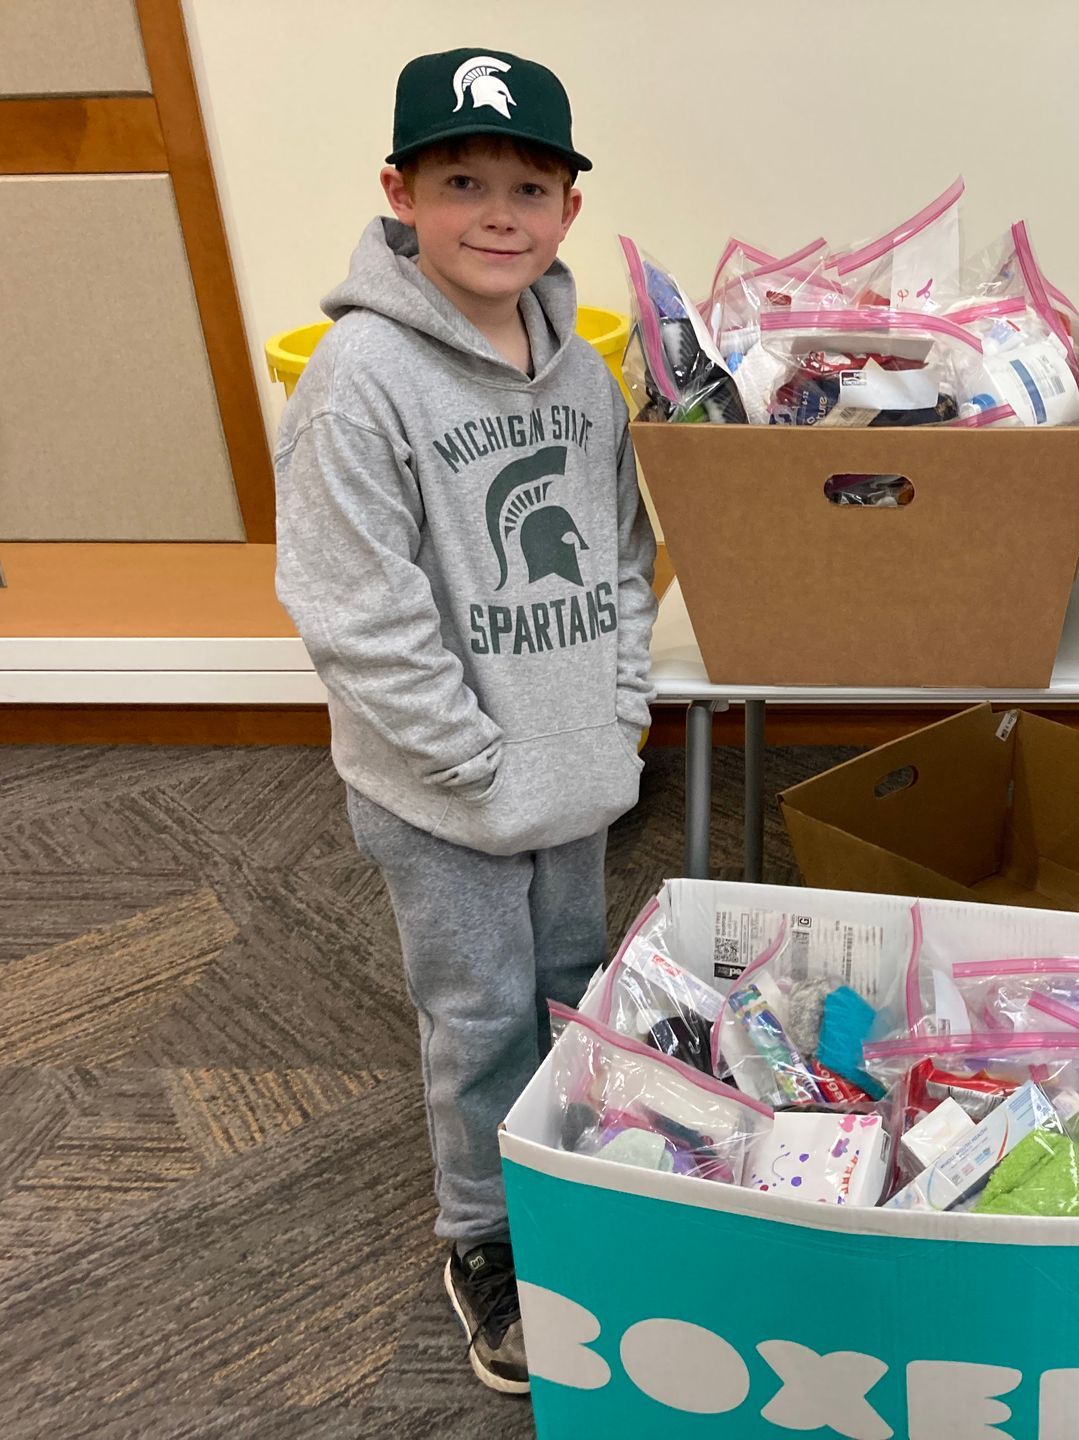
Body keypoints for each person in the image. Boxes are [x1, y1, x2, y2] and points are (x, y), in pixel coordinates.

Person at [273, 46, 655, 1395]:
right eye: (461, 180)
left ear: (567, 210)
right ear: (401, 193)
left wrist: (617, 711)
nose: (498, 212)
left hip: (572, 765)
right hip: (444, 791)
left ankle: (575, 1175)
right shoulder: (361, 381)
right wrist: (470, 760)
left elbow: (618, 553)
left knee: (574, 987)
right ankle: (484, 1237)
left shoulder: (584, 373)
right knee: (481, 1013)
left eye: (528, 185)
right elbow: (356, 609)